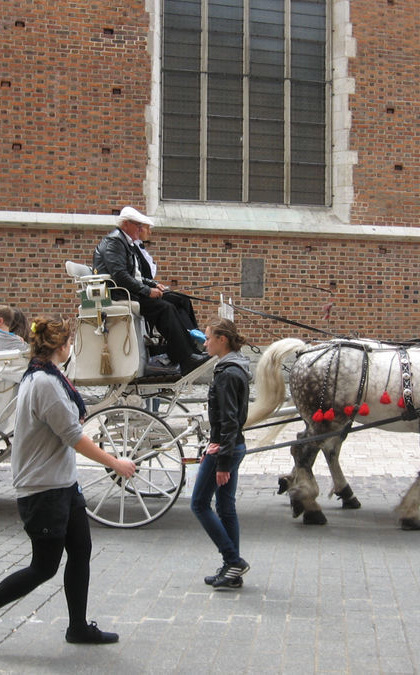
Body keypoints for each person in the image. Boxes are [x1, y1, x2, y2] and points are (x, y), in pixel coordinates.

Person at [0, 316, 136, 647]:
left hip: (62, 484)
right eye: (70, 343)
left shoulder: (48, 377)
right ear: (62, 347)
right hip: (43, 489)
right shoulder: (44, 383)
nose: (71, 348)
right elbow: (73, 435)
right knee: (43, 567)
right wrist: (115, 463)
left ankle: (78, 627)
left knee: (81, 550)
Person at [93, 206, 208, 376]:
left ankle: (193, 345)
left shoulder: (126, 243)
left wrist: (153, 284)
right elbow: (120, 275)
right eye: (137, 226)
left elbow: (134, 275)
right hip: (120, 293)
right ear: (125, 224)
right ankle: (184, 357)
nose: (141, 230)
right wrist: (147, 291)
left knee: (179, 299)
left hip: (130, 290)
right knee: (164, 308)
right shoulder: (114, 242)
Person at [190, 318, 251, 589]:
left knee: (199, 504)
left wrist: (221, 462)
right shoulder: (236, 366)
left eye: (209, 338)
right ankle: (232, 570)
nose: (205, 343)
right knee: (226, 507)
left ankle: (232, 560)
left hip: (224, 449)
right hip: (234, 446)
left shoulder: (227, 374)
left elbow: (228, 421)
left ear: (222, 340)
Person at [134, 220, 202, 342]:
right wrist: (151, 287)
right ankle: (191, 337)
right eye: (147, 228)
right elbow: (136, 276)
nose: (150, 232)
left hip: (149, 287)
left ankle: (193, 334)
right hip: (143, 292)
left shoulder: (139, 247)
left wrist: (155, 284)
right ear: (138, 229)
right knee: (178, 301)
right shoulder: (133, 248)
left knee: (183, 300)